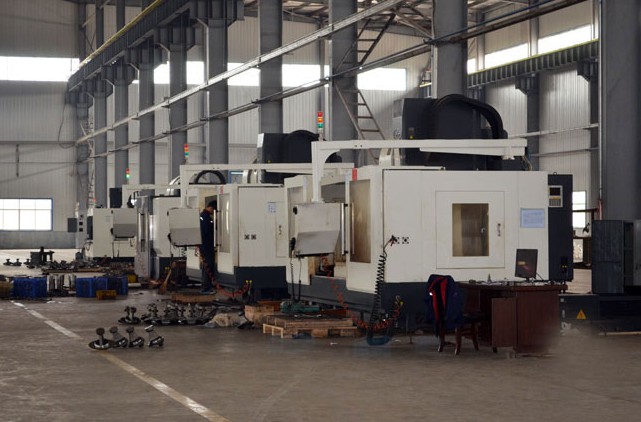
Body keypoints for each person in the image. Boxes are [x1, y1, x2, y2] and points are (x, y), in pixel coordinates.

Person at [199, 201, 216, 294]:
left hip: (204, 245)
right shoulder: (205, 217)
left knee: (206, 266)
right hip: (207, 246)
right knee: (208, 266)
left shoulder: (202, 215)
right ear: (211, 208)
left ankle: (205, 286)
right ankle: (206, 288)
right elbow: (207, 231)